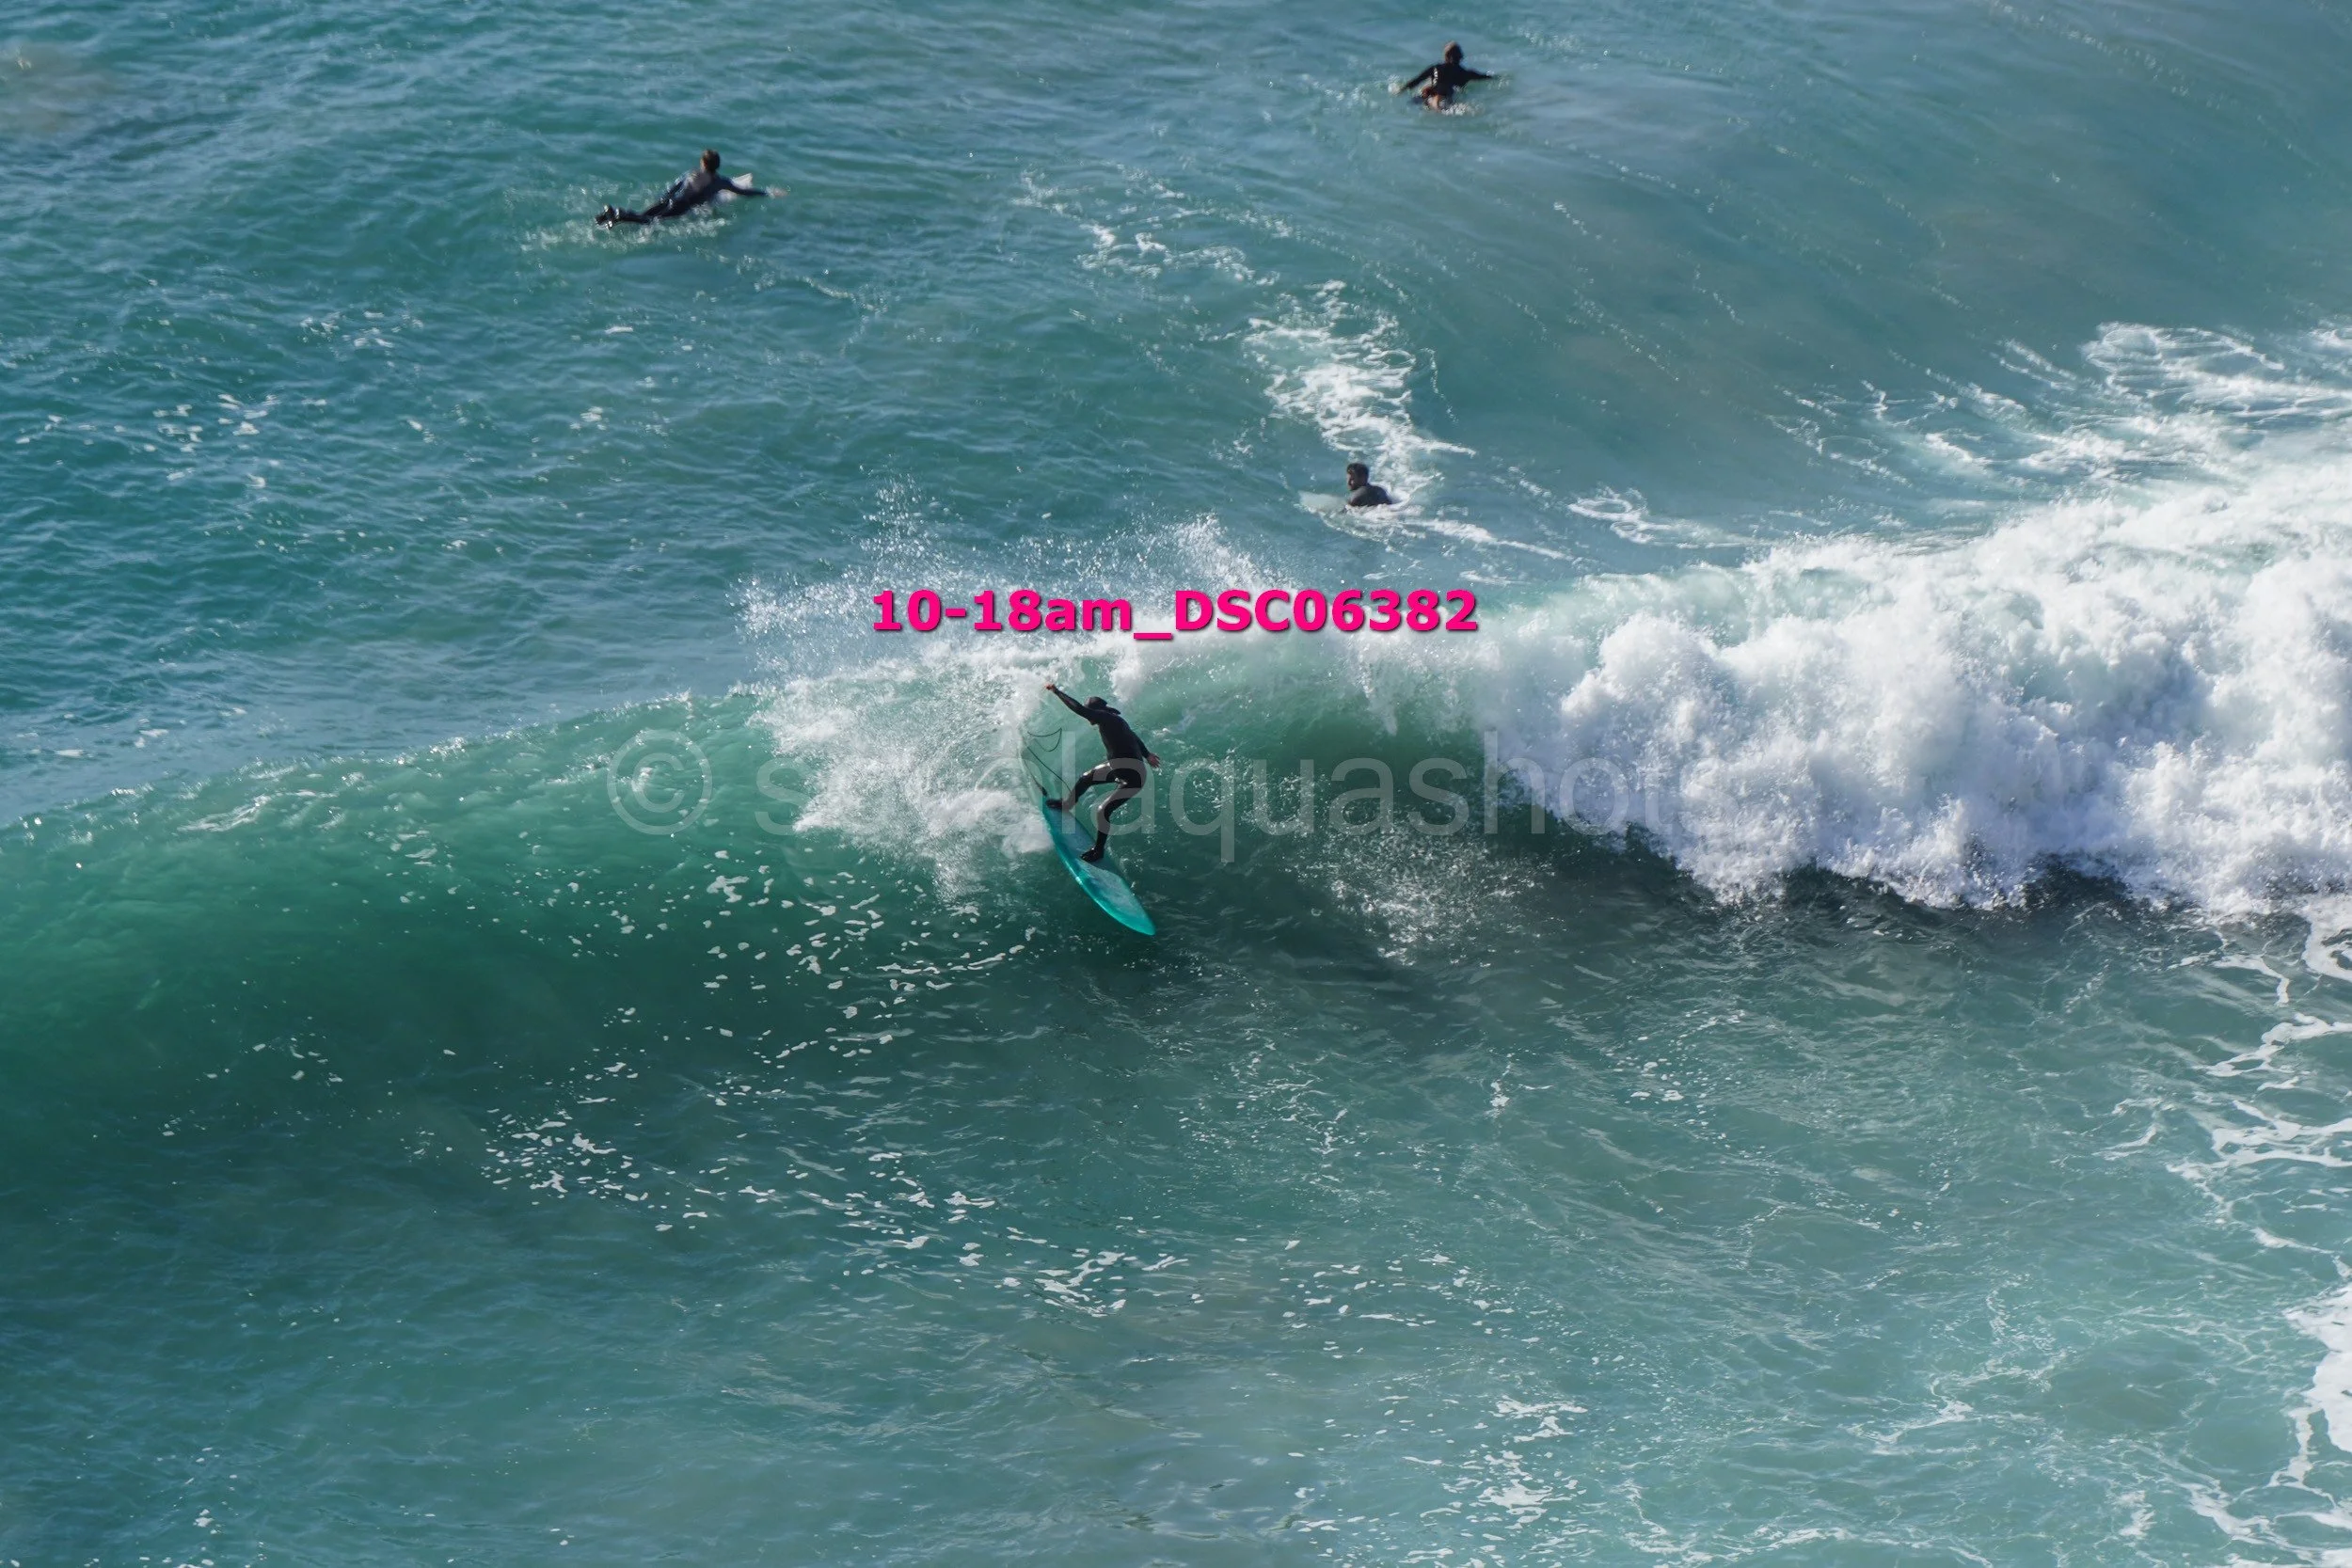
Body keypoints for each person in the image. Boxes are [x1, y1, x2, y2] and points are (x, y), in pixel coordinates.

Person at [1042, 681, 1161, 863]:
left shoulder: (1107, 719)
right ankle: (1067, 804)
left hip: (1133, 778)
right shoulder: (1114, 721)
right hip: (1118, 768)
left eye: (1091, 714)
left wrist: (1057, 692)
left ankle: (1098, 851)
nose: (1089, 719)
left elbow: (1080, 710)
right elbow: (1134, 737)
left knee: (1102, 811)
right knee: (1085, 779)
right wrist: (1147, 754)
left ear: (1097, 712)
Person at [597, 150, 765, 227]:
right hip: (682, 206)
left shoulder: (691, 173)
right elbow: (744, 192)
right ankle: (619, 215)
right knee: (651, 222)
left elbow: (674, 186)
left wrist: (663, 198)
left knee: (644, 214)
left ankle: (612, 214)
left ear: (703, 163)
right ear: (717, 166)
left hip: (669, 199)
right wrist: (767, 192)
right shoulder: (721, 182)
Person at [1401, 42, 1492, 105]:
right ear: (1461, 57)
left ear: (1445, 56)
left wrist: (1401, 90)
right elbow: (1486, 77)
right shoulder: (1466, 73)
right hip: (1447, 96)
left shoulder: (1435, 68)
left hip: (1431, 94)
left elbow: (1416, 81)